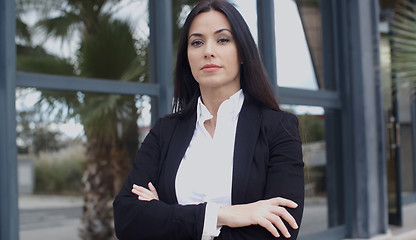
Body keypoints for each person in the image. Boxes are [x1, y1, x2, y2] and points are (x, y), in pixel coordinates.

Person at [113, 0, 304, 239]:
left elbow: (280, 231)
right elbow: (127, 218)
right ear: (187, 57)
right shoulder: (165, 131)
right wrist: (223, 215)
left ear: (243, 52)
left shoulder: (278, 129)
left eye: (223, 39)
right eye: (197, 42)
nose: (208, 51)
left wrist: (166, 215)